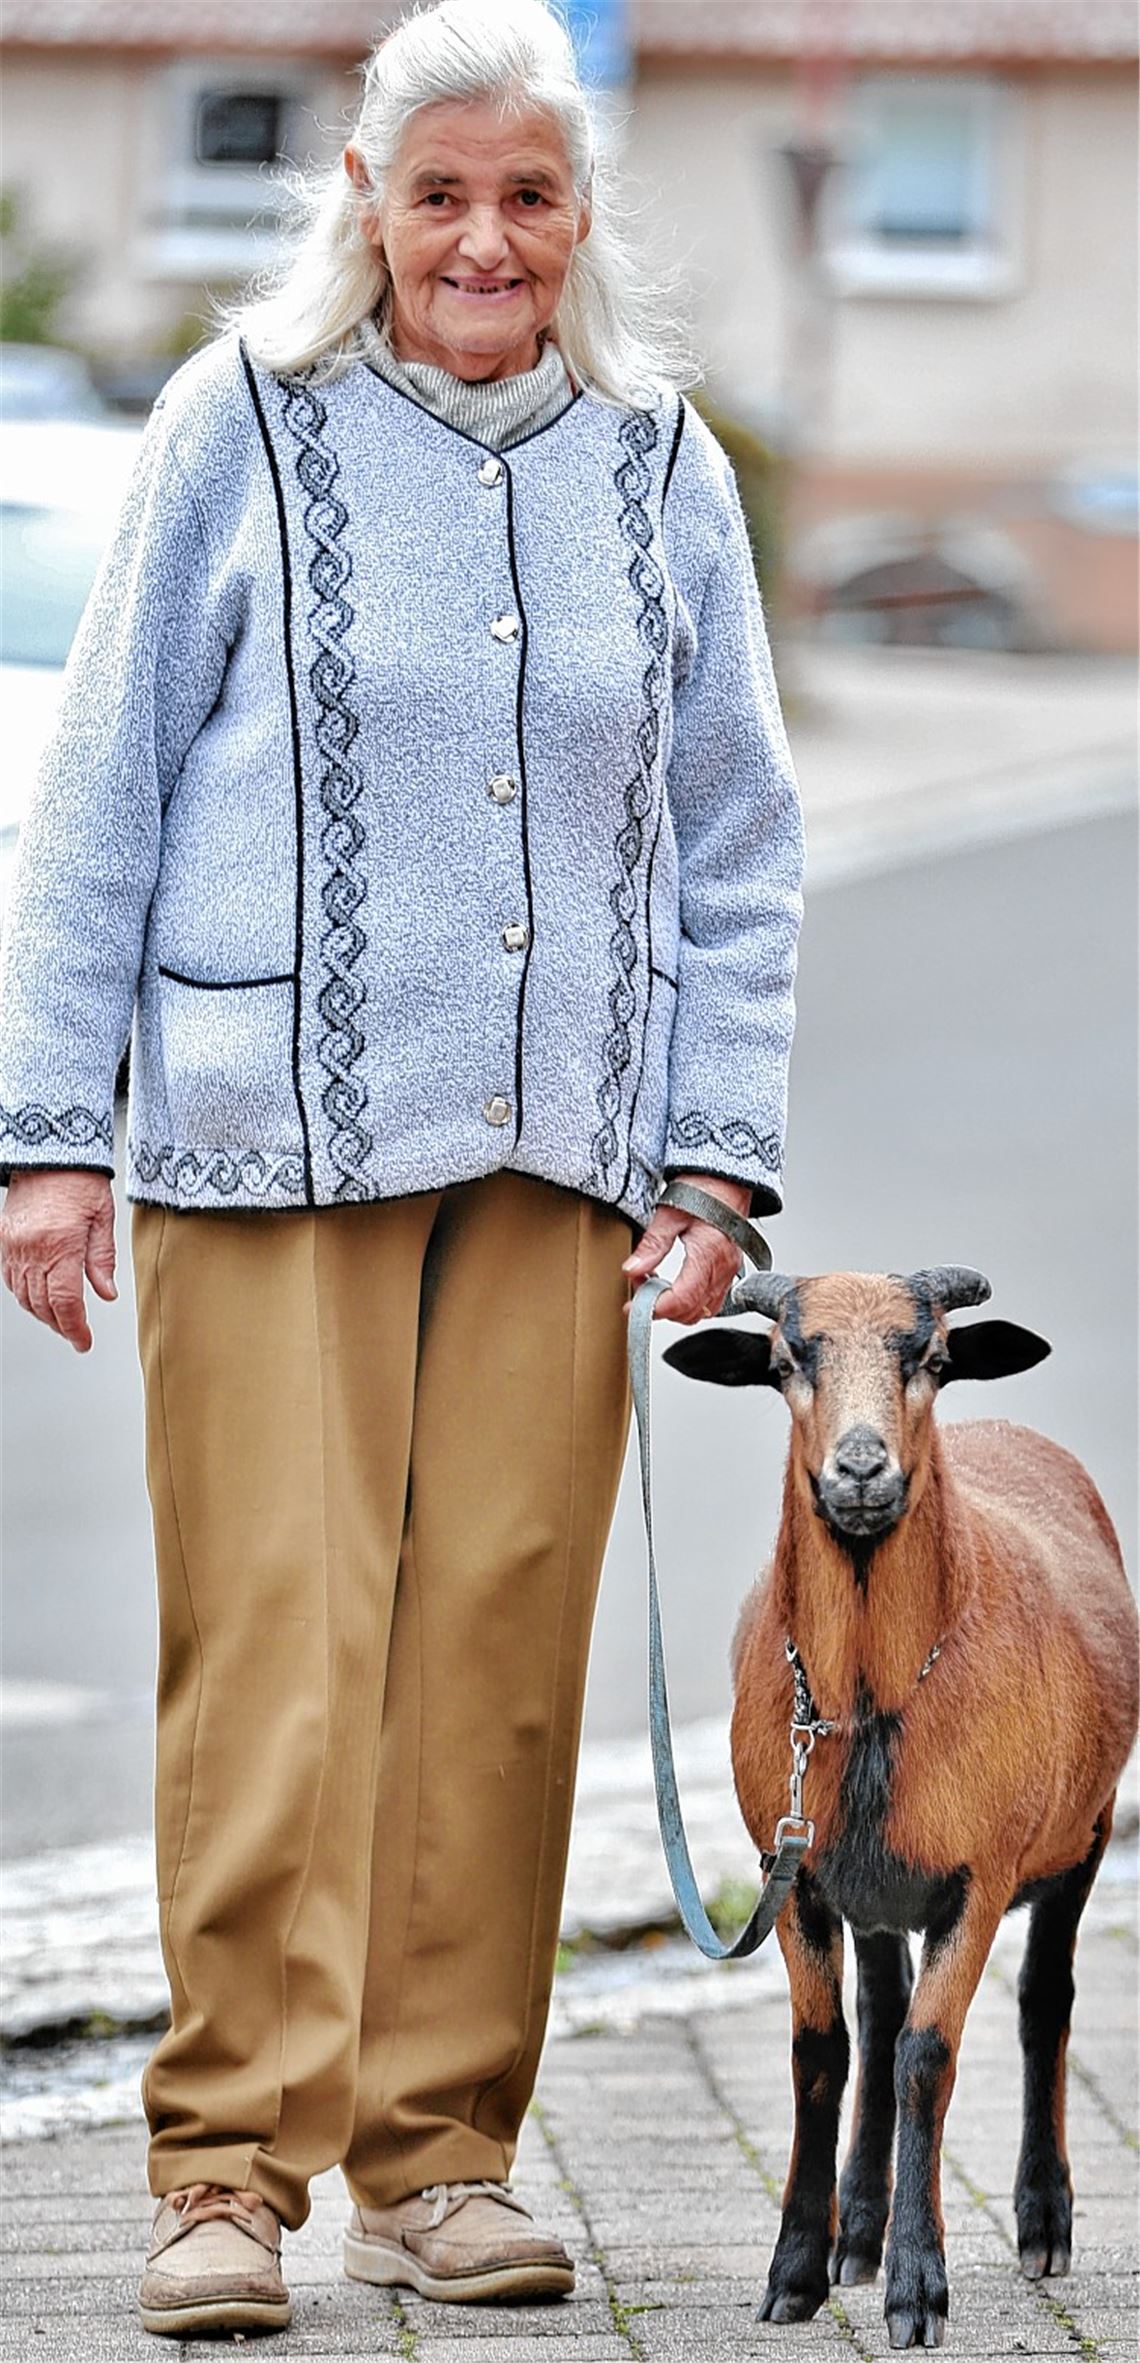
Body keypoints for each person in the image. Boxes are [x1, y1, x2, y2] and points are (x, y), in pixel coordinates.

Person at [0, 0, 804, 2338]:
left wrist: (713, 1158)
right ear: (363, 199)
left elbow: (739, 843)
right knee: (277, 1656)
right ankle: (223, 2170)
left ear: (582, 218)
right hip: (264, 1148)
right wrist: (50, 1140)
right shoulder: (234, 425)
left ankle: (440, 2161)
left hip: (560, 1163)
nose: (481, 236)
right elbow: (102, 793)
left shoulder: (667, 472)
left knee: (499, 1664)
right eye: (435, 190)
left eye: (527, 197)